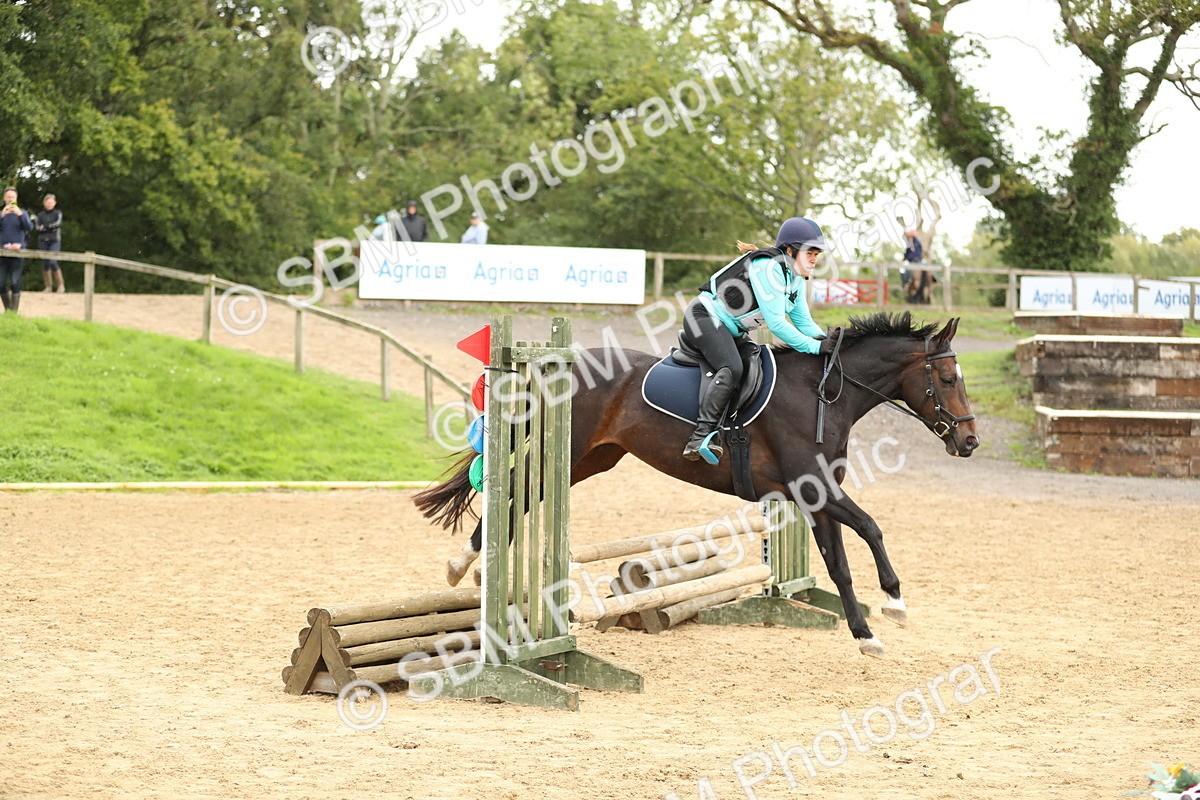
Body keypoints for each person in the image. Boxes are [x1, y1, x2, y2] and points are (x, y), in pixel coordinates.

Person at [679, 216, 835, 461]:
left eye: (817, 254)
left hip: (730, 328)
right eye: (810, 253)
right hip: (702, 318)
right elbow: (777, 325)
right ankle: (700, 437)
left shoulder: (793, 277)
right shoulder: (768, 267)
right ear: (791, 250)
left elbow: (803, 322)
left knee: (757, 364)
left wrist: (829, 343)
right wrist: (816, 347)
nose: (815, 260)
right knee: (733, 367)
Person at [0, 186, 34, 314]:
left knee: (15, 283)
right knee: (1, 284)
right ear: (4, 198)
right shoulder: (1, 214)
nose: (10, 199)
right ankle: (8, 310)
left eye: (12, 197)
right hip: (2, 254)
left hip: (17, 253)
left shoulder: (23, 213)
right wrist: (3, 214)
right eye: (8, 197)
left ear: (16, 198)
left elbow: (29, 227)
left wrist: (19, 214)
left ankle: (13, 313)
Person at [36, 194, 64, 293]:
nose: (49, 204)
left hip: (54, 240)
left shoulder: (58, 213)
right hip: (43, 240)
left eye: (51, 202)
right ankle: (48, 286)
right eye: (47, 202)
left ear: (55, 203)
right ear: (44, 203)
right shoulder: (40, 215)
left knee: (53, 262)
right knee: (45, 263)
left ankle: (60, 285)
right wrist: (49, 228)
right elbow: (38, 227)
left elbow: (58, 224)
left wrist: (46, 227)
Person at [903, 228, 931, 304]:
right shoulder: (913, 241)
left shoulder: (912, 241)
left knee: (906, 272)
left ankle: (906, 283)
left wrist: (906, 257)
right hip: (918, 260)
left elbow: (912, 253)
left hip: (915, 261)